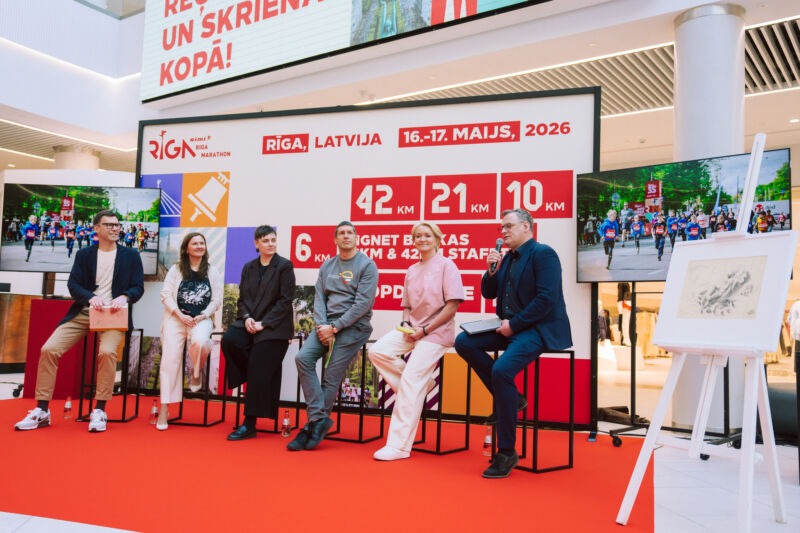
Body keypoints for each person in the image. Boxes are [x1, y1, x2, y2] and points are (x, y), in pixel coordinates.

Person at [454, 209, 572, 478]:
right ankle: (512, 398)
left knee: (501, 371)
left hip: (537, 329)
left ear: (527, 227)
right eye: (501, 228)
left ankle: (506, 451)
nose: (503, 232)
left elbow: (546, 299)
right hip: (508, 326)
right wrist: (490, 269)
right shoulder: (506, 258)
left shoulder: (544, 254)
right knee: (463, 342)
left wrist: (514, 325)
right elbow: (488, 293)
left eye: (509, 226)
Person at [14, 210, 144, 433]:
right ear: (96, 229)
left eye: (117, 225)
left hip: (113, 314)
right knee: (49, 349)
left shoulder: (131, 256)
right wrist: (91, 297)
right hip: (83, 312)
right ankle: (42, 410)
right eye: (109, 225)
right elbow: (73, 285)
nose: (115, 228)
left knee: (107, 353)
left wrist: (125, 296)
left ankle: (100, 409)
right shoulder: (84, 254)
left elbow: (138, 287)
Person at [368, 222, 465, 461]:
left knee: (411, 381)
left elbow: (453, 304)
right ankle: (425, 385)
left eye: (427, 235)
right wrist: (407, 325)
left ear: (437, 239)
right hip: (413, 330)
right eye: (418, 236)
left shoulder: (447, 265)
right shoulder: (412, 269)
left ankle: (399, 447)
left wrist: (424, 330)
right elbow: (407, 306)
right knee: (378, 351)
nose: (422, 239)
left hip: (436, 333)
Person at [287, 221, 378, 451]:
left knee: (330, 376)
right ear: (335, 240)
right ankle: (318, 420)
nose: (346, 236)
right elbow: (319, 298)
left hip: (354, 327)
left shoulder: (367, 265)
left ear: (356, 237)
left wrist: (335, 327)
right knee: (302, 358)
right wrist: (322, 326)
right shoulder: (327, 265)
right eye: (341, 234)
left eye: (350, 233)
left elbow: (362, 305)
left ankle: (311, 425)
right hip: (325, 326)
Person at [220, 225, 296, 440]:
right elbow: (242, 299)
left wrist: (264, 323)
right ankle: (254, 376)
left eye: (273, 240)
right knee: (230, 340)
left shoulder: (284, 266)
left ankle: (249, 424)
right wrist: (247, 319)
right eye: (266, 240)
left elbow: (285, 301)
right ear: (256, 244)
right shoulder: (248, 267)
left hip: (275, 329)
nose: (271, 243)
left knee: (257, 364)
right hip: (250, 324)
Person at [156, 232, 223, 430]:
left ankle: (196, 372)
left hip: (200, 318)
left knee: (201, 342)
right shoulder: (176, 269)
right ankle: (164, 409)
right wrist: (179, 314)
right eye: (195, 243)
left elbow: (216, 300)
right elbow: (166, 295)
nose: (199, 246)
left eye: (202, 243)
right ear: (187, 248)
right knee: (170, 361)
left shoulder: (212, 271)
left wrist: (203, 315)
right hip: (176, 318)